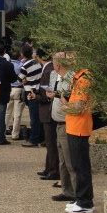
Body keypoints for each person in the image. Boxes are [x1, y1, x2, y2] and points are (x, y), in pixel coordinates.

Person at [63, 62, 95, 213]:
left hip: (79, 128)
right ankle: (80, 197)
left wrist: (65, 106)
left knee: (81, 166)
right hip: (73, 126)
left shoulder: (85, 78)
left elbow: (79, 106)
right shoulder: (77, 77)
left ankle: (85, 202)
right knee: (77, 164)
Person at [48, 53, 76, 203]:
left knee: (70, 161)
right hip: (59, 123)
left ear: (58, 65)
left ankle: (77, 194)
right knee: (63, 161)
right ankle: (67, 190)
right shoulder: (59, 77)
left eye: (54, 63)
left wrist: (58, 96)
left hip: (67, 123)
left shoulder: (70, 78)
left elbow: (70, 99)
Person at [36, 49, 59, 178]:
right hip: (48, 109)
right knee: (49, 140)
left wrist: (36, 96)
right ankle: (48, 167)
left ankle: (53, 170)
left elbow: (47, 94)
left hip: (48, 110)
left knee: (51, 141)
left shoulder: (49, 70)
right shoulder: (49, 68)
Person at [19, 44, 43, 147]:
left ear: (22, 54)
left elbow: (20, 79)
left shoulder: (24, 66)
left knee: (34, 118)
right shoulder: (37, 63)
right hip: (38, 91)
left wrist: (25, 80)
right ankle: (41, 138)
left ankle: (34, 140)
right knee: (38, 117)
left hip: (30, 92)